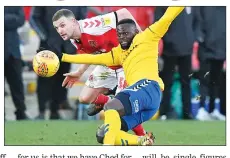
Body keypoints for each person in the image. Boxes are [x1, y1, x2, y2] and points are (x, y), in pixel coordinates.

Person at [50, 6, 184, 145]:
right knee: (102, 129)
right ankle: (141, 140)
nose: (121, 37)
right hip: (119, 71)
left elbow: (165, 16)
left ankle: (115, 136)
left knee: (114, 107)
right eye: (119, 34)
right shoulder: (116, 52)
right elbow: (95, 58)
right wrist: (64, 58)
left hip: (146, 86)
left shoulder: (147, 37)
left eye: (63, 25)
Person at [52, 8, 146, 136]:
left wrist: (142, 38)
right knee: (84, 98)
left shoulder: (92, 25)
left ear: (73, 21)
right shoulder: (73, 38)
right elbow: (91, 53)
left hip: (125, 62)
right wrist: (79, 72)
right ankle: (107, 100)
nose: (60, 30)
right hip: (107, 63)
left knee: (121, 107)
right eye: (57, 28)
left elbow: (123, 12)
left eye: (62, 25)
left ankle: (143, 136)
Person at [30, 7, 87, 119]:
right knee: (44, 79)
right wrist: (44, 37)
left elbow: (81, 20)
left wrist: (74, 37)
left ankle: (55, 111)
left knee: (62, 79)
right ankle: (41, 111)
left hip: (67, 47)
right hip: (47, 48)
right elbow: (34, 19)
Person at [154, 7, 199, 120]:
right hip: (169, 50)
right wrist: (169, 39)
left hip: (187, 49)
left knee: (186, 81)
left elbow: (197, 22)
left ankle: (187, 113)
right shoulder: (164, 5)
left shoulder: (190, 5)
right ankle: (164, 112)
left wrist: (193, 38)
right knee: (167, 82)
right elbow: (158, 23)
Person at [195, 7, 226, 121]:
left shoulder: (224, 8)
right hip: (206, 50)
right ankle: (202, 108)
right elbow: (198, 22)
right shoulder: (204, 6)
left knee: (216, 82)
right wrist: (201, 38)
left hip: (221, 50)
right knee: (204, 80)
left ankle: (213, 110)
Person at [4, 6, 29, 120]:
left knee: (17, 84)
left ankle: (21, 112)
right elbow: (16, 19)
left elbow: (21, 19)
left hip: (14, 51)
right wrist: (12, 19)